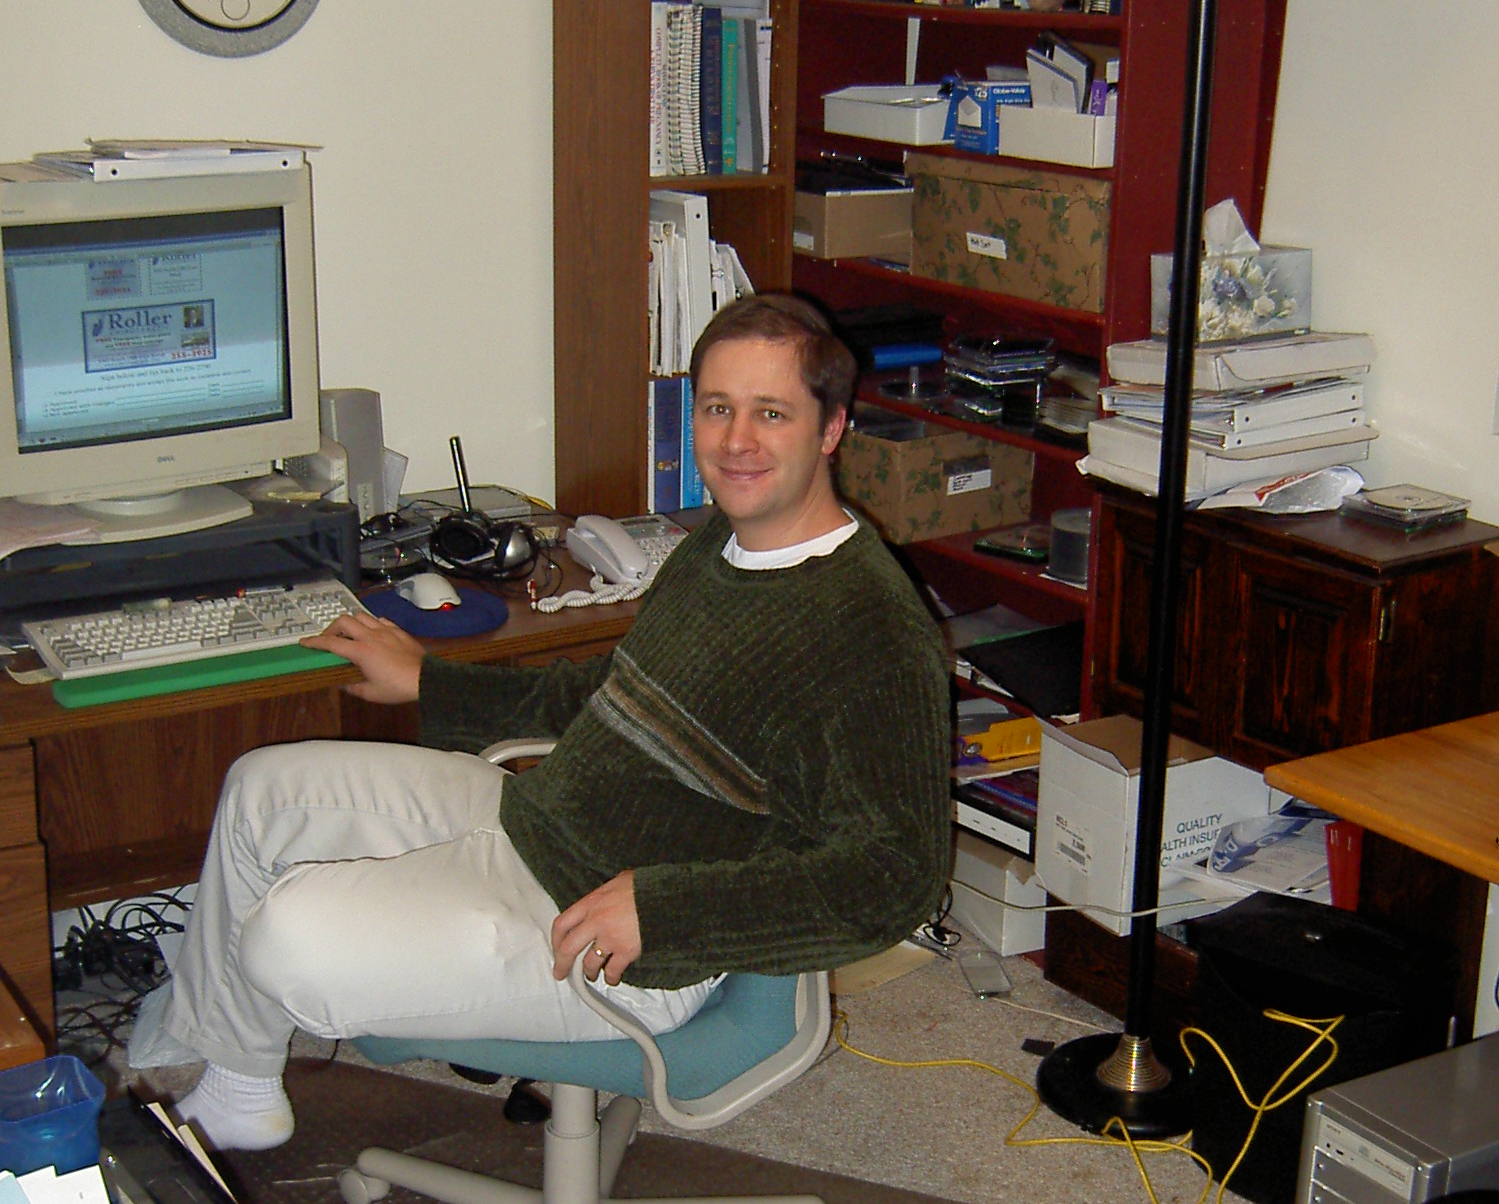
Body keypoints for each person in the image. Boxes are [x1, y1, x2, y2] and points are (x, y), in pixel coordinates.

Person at [132, 294, 952, 1151]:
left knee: (287, 935)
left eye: (771, 414)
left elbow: (893, 876)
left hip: (620, 942)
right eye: (718, 409)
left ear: (831, 429)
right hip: (541, 822)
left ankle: (238, 1076)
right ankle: (239, 1088)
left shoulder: (871, 630)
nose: (736, 441)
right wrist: (430, 683)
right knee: (260, 792)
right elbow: (611, 689)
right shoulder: (720, 545)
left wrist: (667, 911)